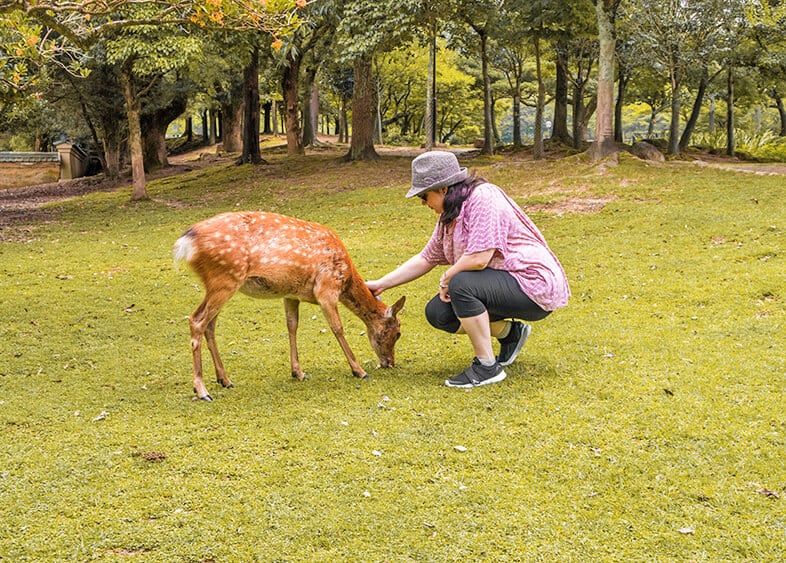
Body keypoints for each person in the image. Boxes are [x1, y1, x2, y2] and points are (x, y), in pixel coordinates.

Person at [366, 151, 570, 388]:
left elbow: (480, 258)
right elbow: (426, 258)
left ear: (443, 188)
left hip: (532, 283)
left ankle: (486, 367)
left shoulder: (483, 197)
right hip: (502, 284)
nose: (423, 202)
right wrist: (381, 284)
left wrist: (447, 276)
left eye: (424, 195)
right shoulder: (450, 215)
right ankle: (510, 334)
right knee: (438, 312)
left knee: (460, 284)